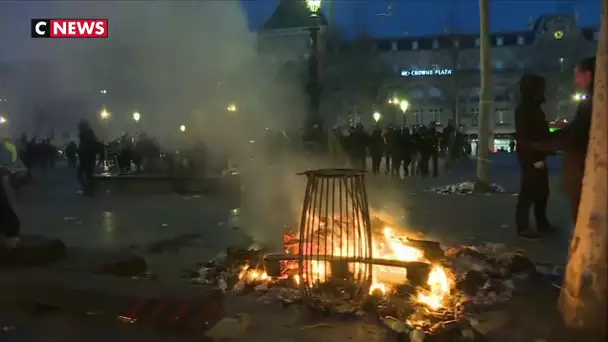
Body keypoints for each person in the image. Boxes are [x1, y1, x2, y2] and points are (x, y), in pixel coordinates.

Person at [514, 73, 553, 239]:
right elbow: (525, 136)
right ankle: (523, 227)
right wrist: (537, 150)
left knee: (542, 191)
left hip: (538, 153)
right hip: (531, 155)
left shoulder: (534, 108)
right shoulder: (524, 109)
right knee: (529, 190)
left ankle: (542, 222)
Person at [77, 120, 100, 196]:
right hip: (89, 157)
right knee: (88, 174)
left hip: (87, 157)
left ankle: (89, 190)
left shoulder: (86, 134)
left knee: (83, 175)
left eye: (80, 126)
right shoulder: (88, 133)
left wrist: (80, 150)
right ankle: (89, 190)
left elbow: (84, 146)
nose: (79, 127)